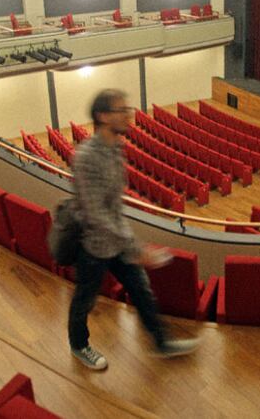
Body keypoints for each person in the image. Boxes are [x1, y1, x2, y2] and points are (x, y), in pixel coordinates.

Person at [68, 89, 199, 370]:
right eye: (121, 110)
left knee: (142, 291)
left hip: (117, 243)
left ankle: (161, 342)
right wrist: (137, 248)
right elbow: (96, 214)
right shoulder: (86, 157)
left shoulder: (117, 148)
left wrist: (130, 246)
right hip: (93, 246)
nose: (129, 114)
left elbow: (113, 205)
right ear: (102, 116)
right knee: (84, 300)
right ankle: (79, 346)